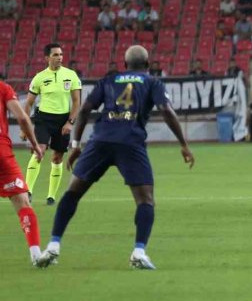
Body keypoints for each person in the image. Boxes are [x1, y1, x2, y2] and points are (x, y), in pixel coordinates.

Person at [34, 46, 195, 270]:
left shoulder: (108, 80)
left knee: (72, 192)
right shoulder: (152, 82)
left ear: (125, 63)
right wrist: (184, 145)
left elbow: (85, 109)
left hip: (100, 141)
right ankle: (139, 251)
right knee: (146, 200)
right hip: (130, 142)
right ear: (148, 65)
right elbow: (166, 110)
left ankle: (53, 246)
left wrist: (75, 145)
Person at [22, 44, 82, 206]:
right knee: (39, 151)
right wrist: (24, 127)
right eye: (55, 55)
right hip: (43, 119)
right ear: (47, 58)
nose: (60, 57)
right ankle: (28, 191)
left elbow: (77, 102)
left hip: (63, 120)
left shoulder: (71, 75)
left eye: (61, 54)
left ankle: (51, 196)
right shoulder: (39, 77)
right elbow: (28, 104)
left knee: (57, 158)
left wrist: (70, 122)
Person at [0, 78, 45, 265]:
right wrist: (35, 144)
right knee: (22, 201)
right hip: (1, 153)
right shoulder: (3, 88)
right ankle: (36, 254)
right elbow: (22, 117)